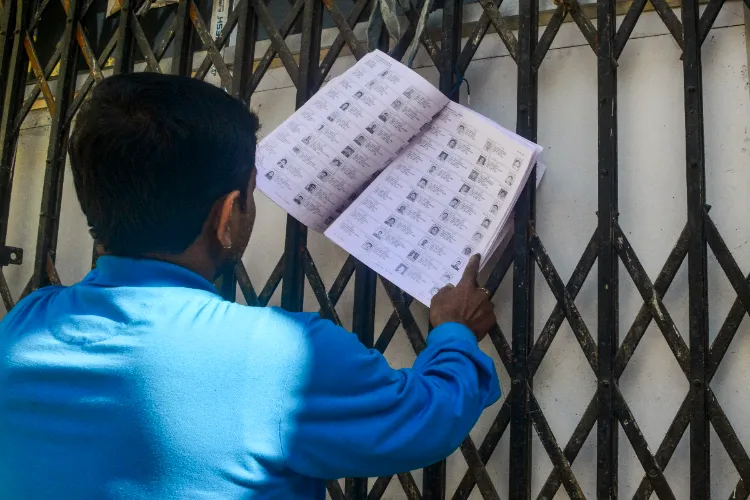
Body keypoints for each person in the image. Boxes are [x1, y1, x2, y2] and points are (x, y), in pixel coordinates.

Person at [0, 73, 500, 500]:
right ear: (225, 217)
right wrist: (453, 334)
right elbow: (426, 417)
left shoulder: (23, 325)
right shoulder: (283, 355)